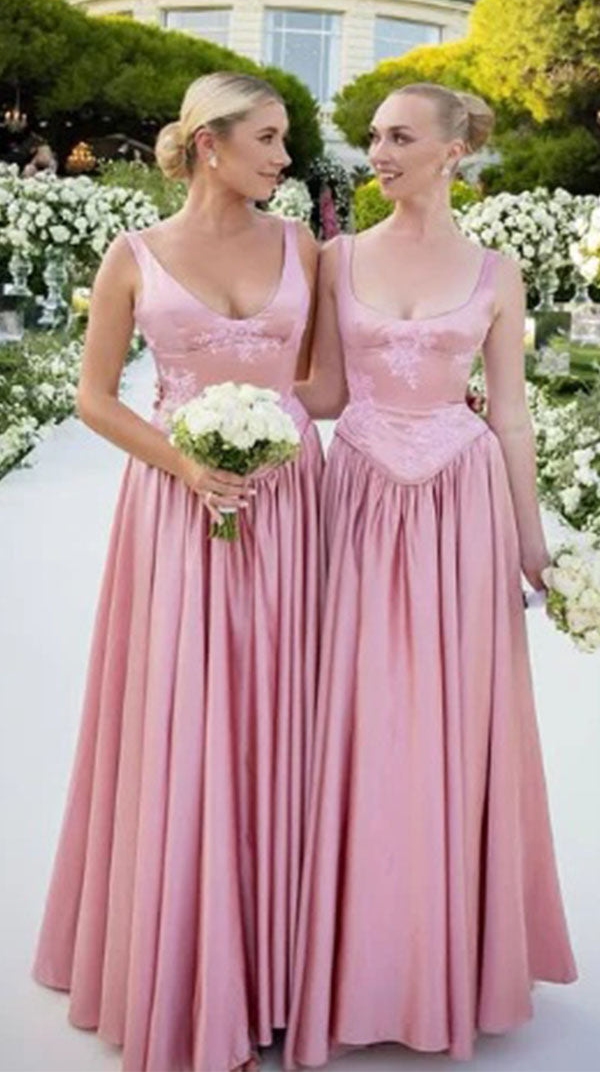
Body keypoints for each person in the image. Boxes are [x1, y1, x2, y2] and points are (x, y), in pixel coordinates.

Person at [32, 72, 323, 1072]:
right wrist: (188, 464)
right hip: (175, 504)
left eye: (284, 139)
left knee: (278, 712)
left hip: (288, 503)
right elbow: (95, 397)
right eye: (268, 138)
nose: (284, 157)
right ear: (210, 143)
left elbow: (323, 382)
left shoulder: (304, 246)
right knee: (187, 715)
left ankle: (274, 973)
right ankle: (189, 975)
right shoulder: (134, 255)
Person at [285, 82, 577, 1066]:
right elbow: (324, 391)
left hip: (461, 508)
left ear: (453, 152)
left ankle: (441, 959)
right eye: (374, 136)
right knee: (355, 719)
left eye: (400, 137)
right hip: (361, 498)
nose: (379, 151)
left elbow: (512, 413)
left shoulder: (498, 271)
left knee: (451, 726)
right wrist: (212, 404)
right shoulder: (335, 257)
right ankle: (350, 960)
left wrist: (531, 541)